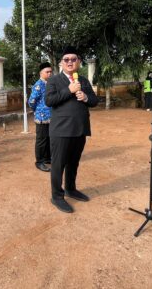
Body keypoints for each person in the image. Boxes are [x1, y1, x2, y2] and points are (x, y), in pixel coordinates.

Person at [45, 46, 98, 213]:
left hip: (79, 128)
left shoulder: (83, 80)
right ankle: (57, 196)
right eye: (66, 60)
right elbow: (49, 100)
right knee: (58, 164)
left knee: (73, 162)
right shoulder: (54, 80)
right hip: (61, 130)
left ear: (79, 62)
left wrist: (86, 97)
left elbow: (95, 100)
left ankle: (70, 188)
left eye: (73, 59)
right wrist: (69, 90)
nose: (70, 62)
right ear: (61, 63)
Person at [28, 62, 53, 172]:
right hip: (42, 118)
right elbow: (31, 101)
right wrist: (38, 111)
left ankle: (47, 158)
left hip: (50, 117)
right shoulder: (38, 85)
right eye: (47, 72)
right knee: (41, 140)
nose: (50, 74)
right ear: (41, 73)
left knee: (49, 138)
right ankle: (39, 162)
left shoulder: (49, 83)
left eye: (51, 71)